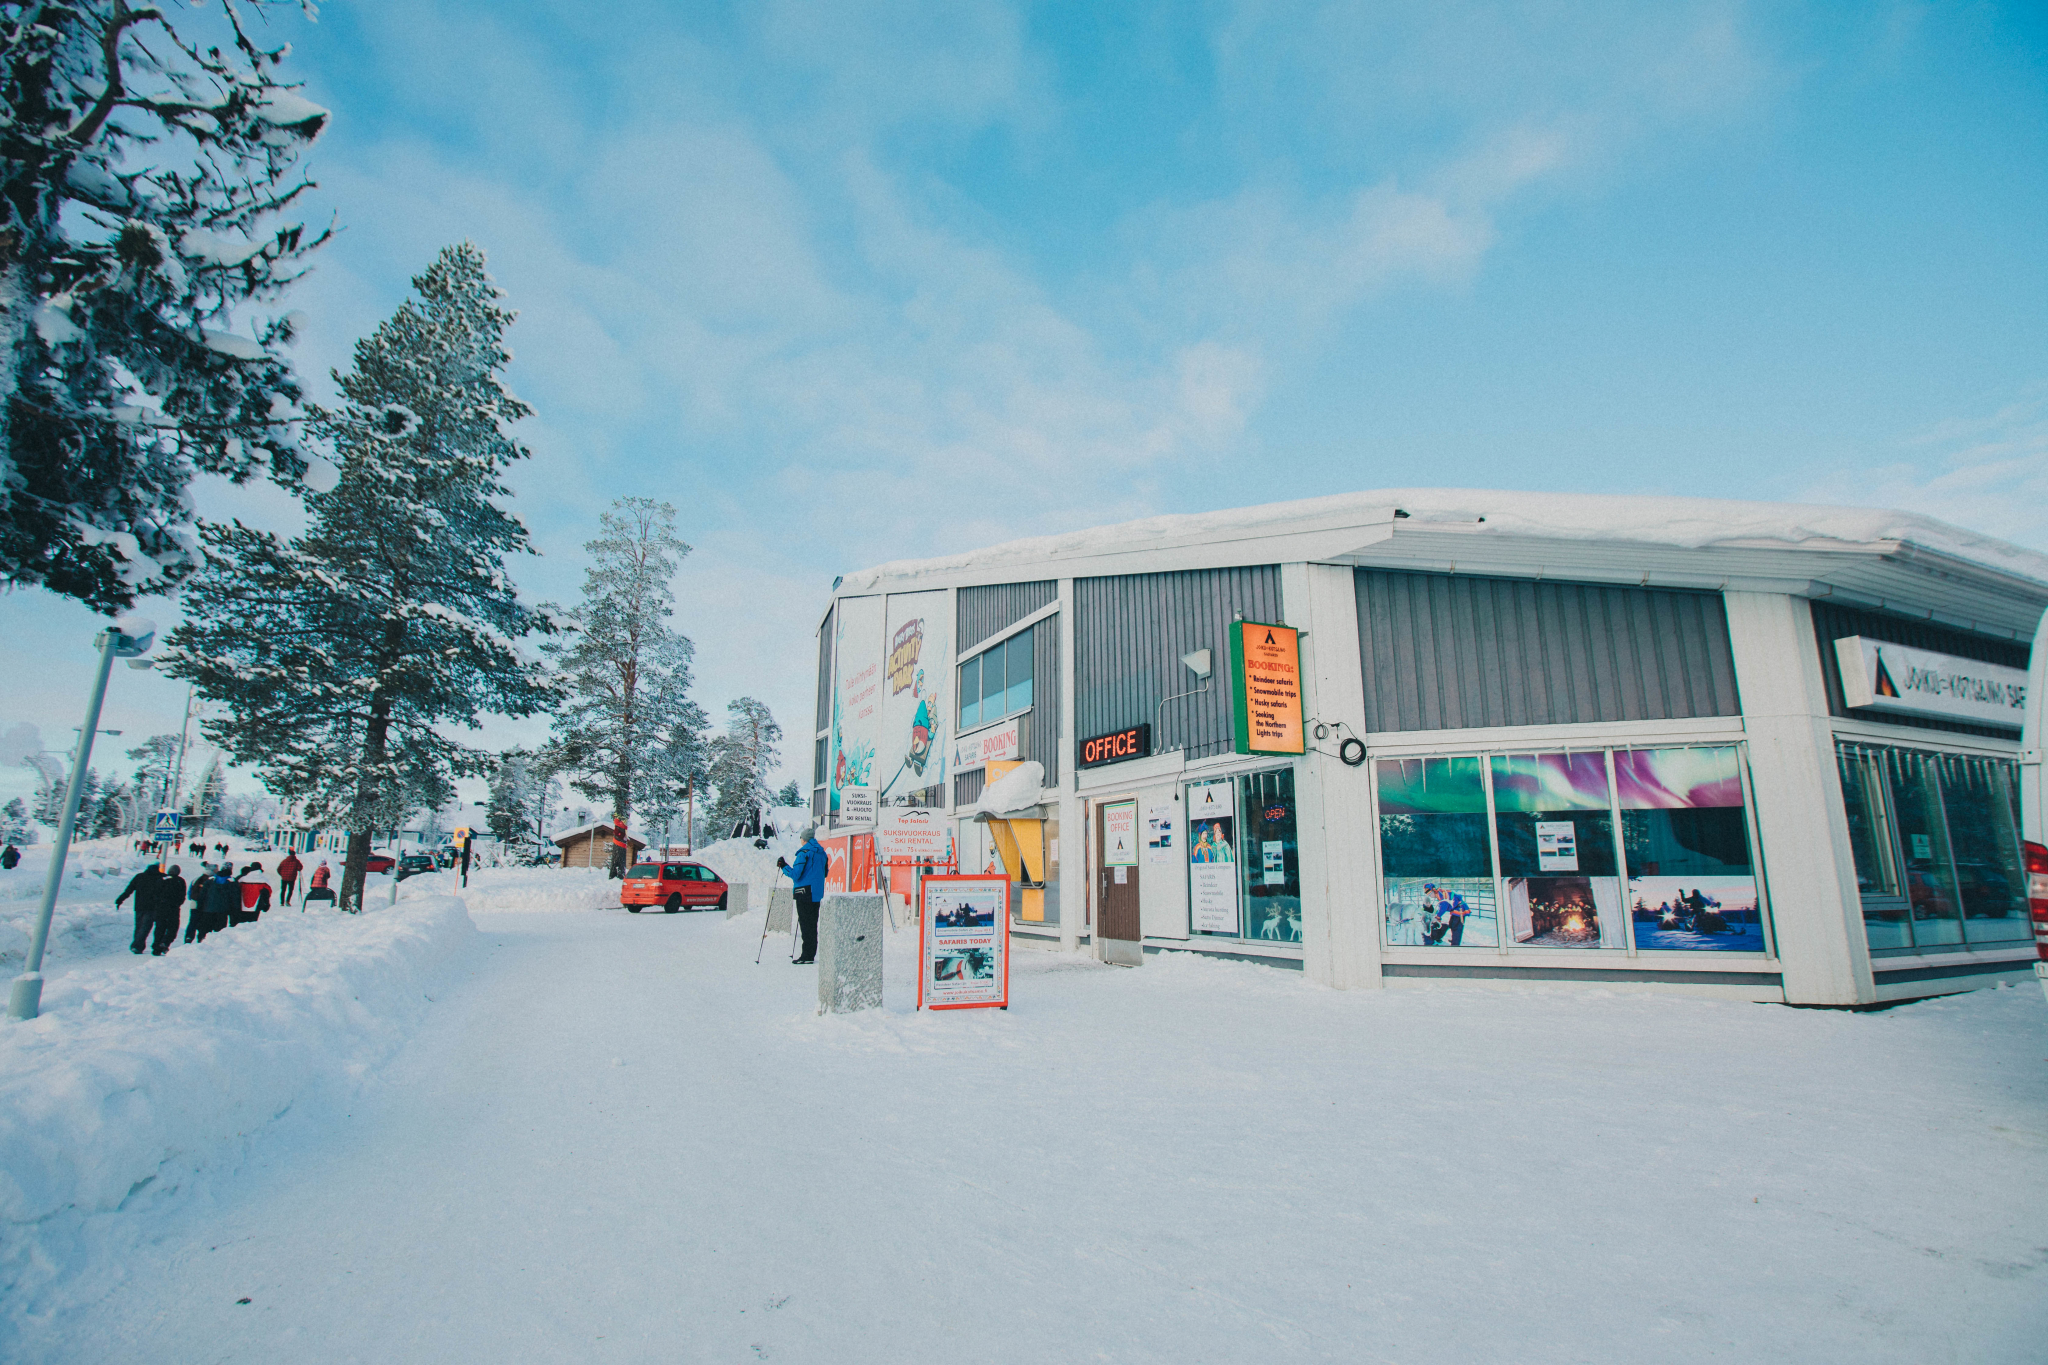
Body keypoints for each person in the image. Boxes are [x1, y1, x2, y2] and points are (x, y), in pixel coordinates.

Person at [776, 827, 827, 965]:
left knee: (805, 924)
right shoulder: (822, 853)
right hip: (816, 893)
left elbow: (795, 874)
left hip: (803, 893)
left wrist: (784, 866)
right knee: (812, 924)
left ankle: (806, 955)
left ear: (804, 839)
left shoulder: (804, 853)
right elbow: (825, 873)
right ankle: (810, 953)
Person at [117, 864, 165, 954]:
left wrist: (120, 899)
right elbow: (161, 894)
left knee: (139, 926)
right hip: (151, 907)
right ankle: (137, 946)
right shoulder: (158, 879)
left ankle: (139, 946)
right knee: (145, 927)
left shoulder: (139, 877)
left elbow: (129, 890)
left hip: (139, 906)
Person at [153, 864, 186, 954]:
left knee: (160, 927)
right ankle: (165, 942)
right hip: (173, 908)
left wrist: (159, 903)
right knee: (173, 927)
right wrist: (177, 903)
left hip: (161, 908)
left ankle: (156, 947)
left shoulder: (162, 879)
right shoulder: (180, 881)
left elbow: (156, 893)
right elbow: (182, 896)